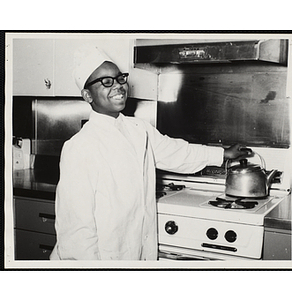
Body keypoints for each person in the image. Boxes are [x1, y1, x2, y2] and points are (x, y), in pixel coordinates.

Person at [50, 46, 250, 260]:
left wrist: (222, 154)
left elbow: (175, 153)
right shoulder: (80, 147)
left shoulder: (138, 129)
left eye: (120, 79)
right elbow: (76, 230)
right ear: (87, 95)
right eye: (106, 82)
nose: (118, 86)